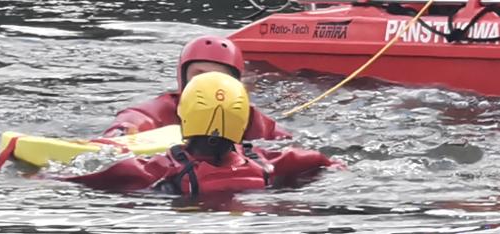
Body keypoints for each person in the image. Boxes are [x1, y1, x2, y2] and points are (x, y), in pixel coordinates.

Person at [65, 72, 335, 197]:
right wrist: (336, 165)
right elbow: (320, 160)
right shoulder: (266, 163)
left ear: (184, 114)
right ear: (242, 120)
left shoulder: (154, 170)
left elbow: (75, 181)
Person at [103, 35, 286, 141]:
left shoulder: (252, 120)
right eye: (200, 76)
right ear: (183, 79)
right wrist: (120, 135)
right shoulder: (156, 113)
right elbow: (127, 127)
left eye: (219, 78)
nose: (208, 85)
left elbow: (288, 144)